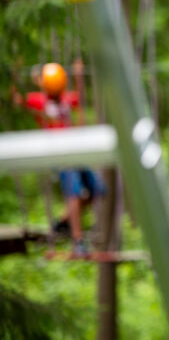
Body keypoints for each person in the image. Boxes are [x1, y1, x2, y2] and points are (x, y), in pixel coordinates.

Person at [22, 61, 105, 257]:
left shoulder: (67, 99)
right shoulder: (40, 101)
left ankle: (61, 223)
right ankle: (77, 241)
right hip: (58, 153)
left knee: (96, 190)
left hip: (74, 150)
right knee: (75, 193)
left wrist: (78, 77)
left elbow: (81, 100)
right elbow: (18, 100)